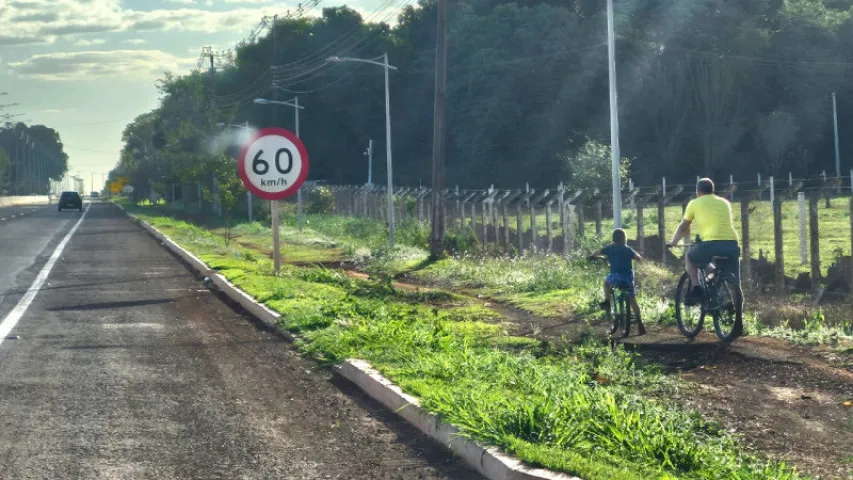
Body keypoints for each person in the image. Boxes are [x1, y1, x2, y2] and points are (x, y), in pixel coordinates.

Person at [666, 177, 742, 307]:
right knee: (735, 282)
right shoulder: (724, 202)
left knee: (690, 255)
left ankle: (696, 287)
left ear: (698, 191)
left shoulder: (694, 203)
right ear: (712, 190)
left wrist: (674, 241)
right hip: (732, 244)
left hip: (710, 243)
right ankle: (737, 314)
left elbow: (684, 227)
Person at [588, 228, 646, 336]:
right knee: (633, 300)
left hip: (615, 278)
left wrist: (592, 256)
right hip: (628, 279)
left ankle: (607, 302)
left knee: (606, 282)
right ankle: (640, 322)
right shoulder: (627, 249)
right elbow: (638, 258)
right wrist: (640, 259)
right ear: (624, 239)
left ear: (613, 238)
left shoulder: (609, 248)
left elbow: (596, 252)